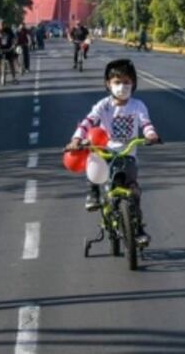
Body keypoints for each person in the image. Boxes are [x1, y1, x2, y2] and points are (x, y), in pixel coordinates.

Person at [65, 59, 160, 245]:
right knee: (94, 165)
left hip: (127, 155)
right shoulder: (103, 105)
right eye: (117, 82)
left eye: (126, 82)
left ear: (133, 83)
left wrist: (151, 135)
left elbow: (146, 123)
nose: (122, 86)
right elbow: (88, 121)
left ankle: (138, 228)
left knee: (133, 192)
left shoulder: (138, 106)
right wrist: (76, 139)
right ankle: (93, 193)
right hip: (105, 153)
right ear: (108, 84)